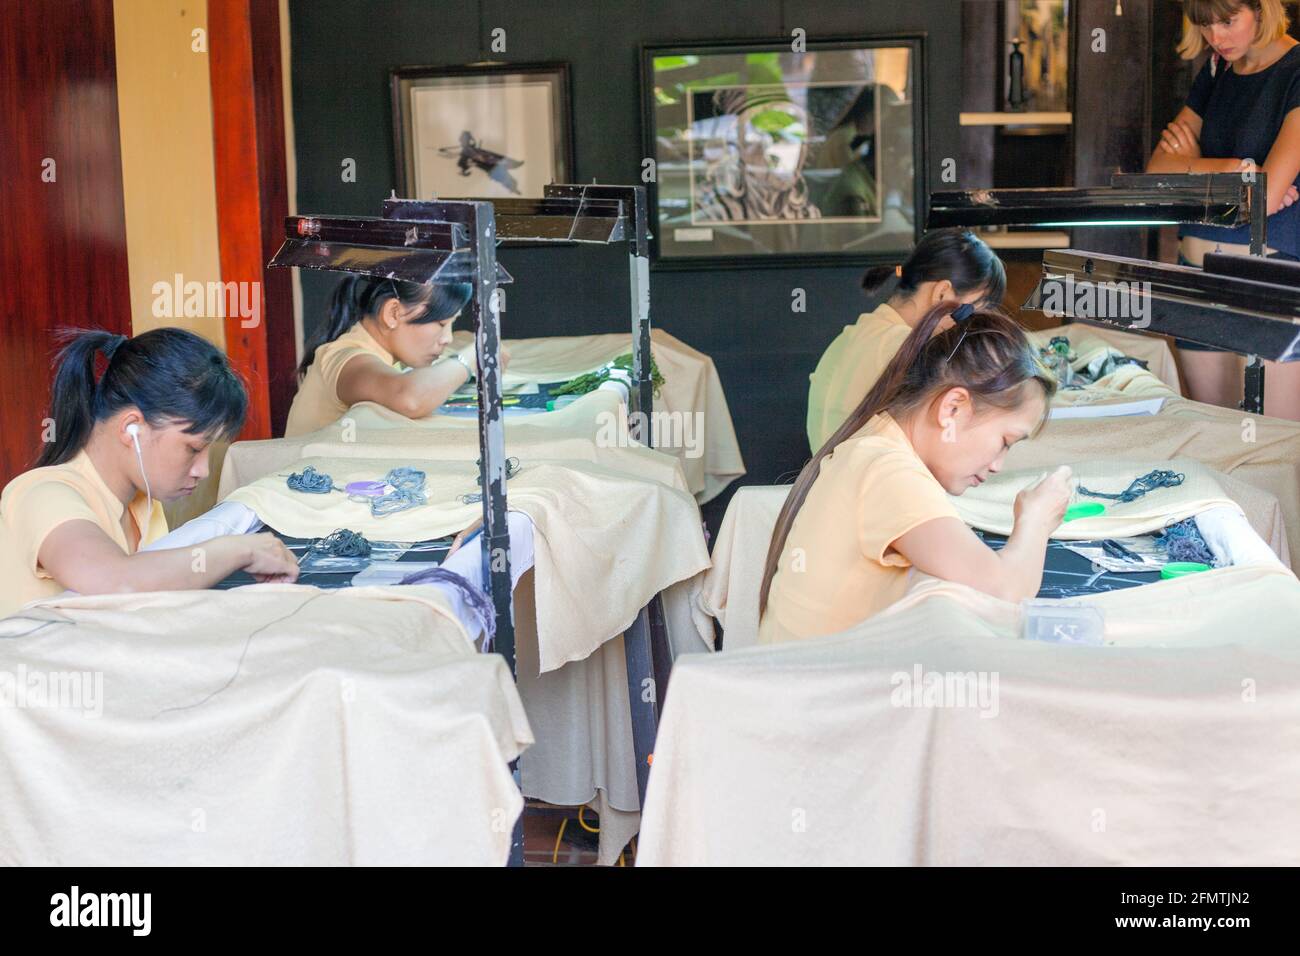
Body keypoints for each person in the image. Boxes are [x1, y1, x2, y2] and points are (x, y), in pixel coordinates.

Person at [760, 302, 1071, 645]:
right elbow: (1001, 592)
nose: (999, 464)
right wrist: (1036, 519)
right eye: (1005, 441)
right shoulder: (887, 471)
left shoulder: (879, 443)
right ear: (953, 407)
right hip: (815, 692)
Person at [0, 328, 298, 618]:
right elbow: (116, 581)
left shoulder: (144, 506)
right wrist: (239, 550)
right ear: (132, 428)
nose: (203, 470)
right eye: (193, 449)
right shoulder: (43, 494)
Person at [1146, 0, 1300, 418]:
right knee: (1214, 441)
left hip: (1268, 279)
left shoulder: (1295, 71)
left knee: (1269, 447)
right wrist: (1236, 168)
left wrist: (1193, 168)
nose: (1216, 36)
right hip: (1195, 276)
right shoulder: (1216, 72)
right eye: (1205, 23)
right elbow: (1158, 170)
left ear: (1262, 9)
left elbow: (1264, 198)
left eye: (1228, 21)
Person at [807, 228, 1007, 450]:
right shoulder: (909, 350)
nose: (968, 327)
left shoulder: (850, 337)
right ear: (942, 293)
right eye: (971, 313)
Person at [285, 275, 508, 436]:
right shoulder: (346, 358)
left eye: (452, 324)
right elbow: (408, 398)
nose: (447, 338)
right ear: (393, 313)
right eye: (440, 324)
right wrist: (473, 358)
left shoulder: (379, 354)